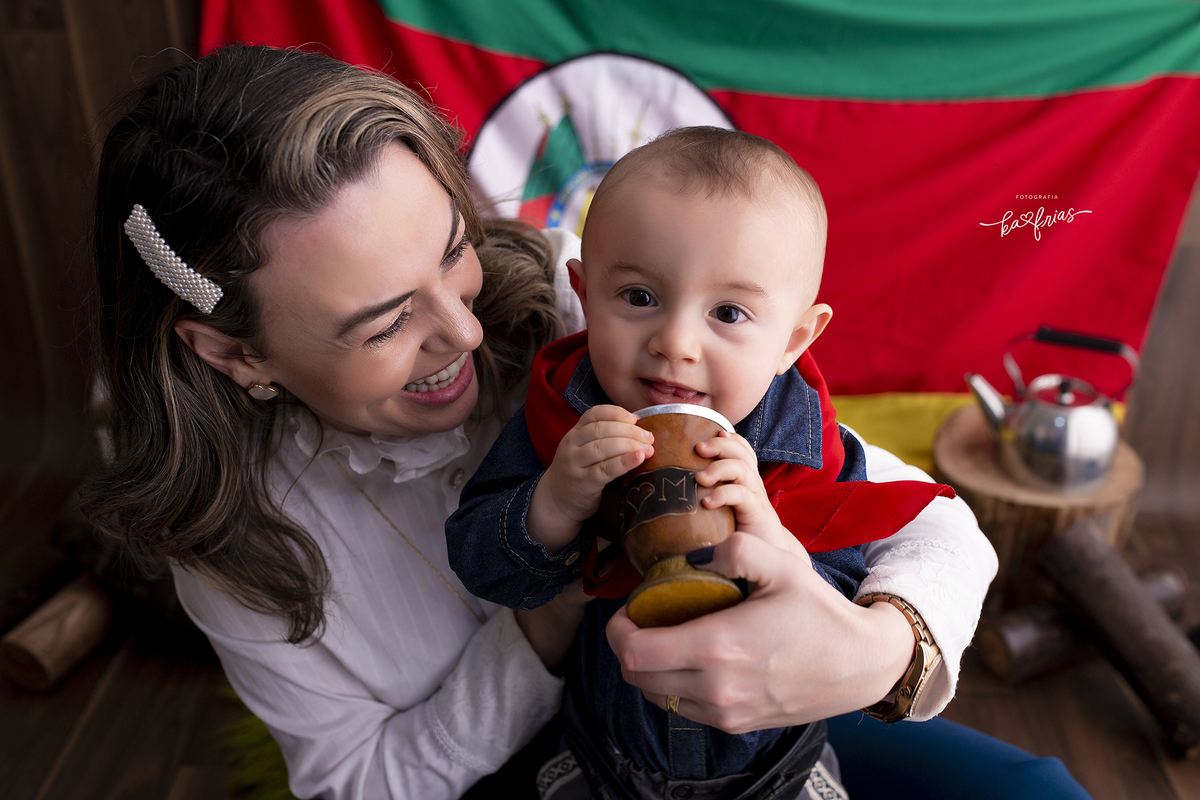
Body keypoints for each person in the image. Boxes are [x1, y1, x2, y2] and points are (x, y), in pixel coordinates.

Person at [78, 42, 1080, 800]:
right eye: (386, 320)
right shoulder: (237, 541)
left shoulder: (603, 300)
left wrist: (875, 652)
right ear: (235, 351)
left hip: (770, 731)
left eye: (453, 250)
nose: (467, 328)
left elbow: (926, 522)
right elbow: (362, 779)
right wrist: (558, 596)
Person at [446, 127, 956, 798]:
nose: (676, 343)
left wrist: (769, 531)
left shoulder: (807, 449)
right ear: (585, 292)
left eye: (729, 311)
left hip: (776, 774)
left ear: (794, 340)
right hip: (601, 762)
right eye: (638, 297)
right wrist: (555, 503)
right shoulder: (565, 424)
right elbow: (481, 563)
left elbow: (831, 619)